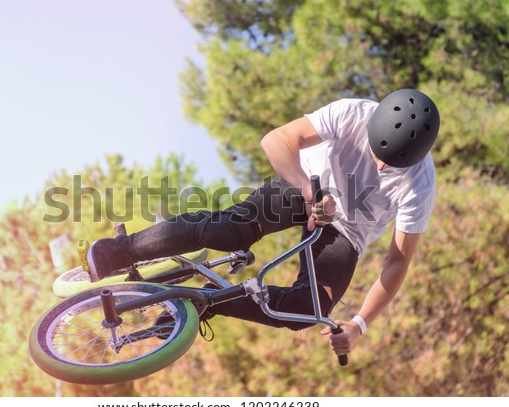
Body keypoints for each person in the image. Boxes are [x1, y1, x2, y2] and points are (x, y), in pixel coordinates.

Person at [87, 88, 440, 358]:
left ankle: (204, 301)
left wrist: (360, 325)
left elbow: (398, 261)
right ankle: (117, 251)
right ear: (373, 123)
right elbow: (276, 140)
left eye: (391, 164)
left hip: (346, 231)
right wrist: (309, 191)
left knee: (307, 311)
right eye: (376, 154)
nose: (379, 166)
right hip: (305, 182)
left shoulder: (419, 185)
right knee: (230, 231)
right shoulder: (352, 113)